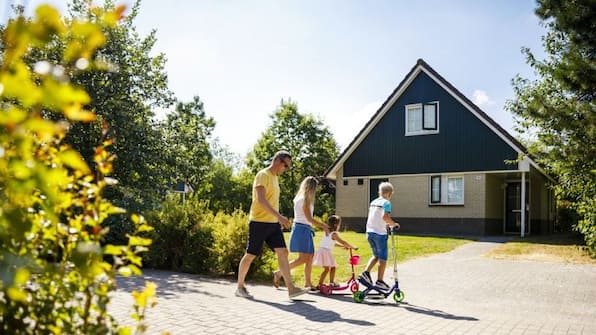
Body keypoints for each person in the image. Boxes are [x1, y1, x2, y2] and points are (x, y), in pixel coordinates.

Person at [235, 151, 309, 299]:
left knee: (283, 252)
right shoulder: (263, 175)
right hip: (258, 222)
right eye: (286, 165)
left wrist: (278, 218)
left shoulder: (275, 178)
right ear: (278, 161)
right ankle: (240, 287)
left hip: (273, 224)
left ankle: (291, 288)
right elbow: (261, 200)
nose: (286, 169)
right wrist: (280, 216)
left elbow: (272, 201)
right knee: (251, 255)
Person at [272, 176, 329, 291]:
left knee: (309, 258)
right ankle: (279, 273)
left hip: (304, 229)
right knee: (303, 258)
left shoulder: (300, 198)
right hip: (302, 229)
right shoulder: (304, 200)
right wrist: (324, 226)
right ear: (311, 188)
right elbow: (309, 218)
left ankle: (308, 283)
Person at [358, 182, 400, 293]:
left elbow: (376, 218)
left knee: (375, 255)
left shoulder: (374, 202)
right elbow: (385, 217)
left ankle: (366, 273)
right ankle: (380, 281)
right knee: (383, 259)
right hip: (379, 234)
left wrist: (386, 224)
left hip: (370, 232)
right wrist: (393, 224)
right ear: (390, 194)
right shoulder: (387, 203)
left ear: (379, 192)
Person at [313, 215, 357, 289]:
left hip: (322, 251)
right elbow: (342, 241)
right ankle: (331, 283)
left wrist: (343, 247)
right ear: (336, 225)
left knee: (327, 269)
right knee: (333, 267)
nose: (339, 226)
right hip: (325, 252)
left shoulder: (327, 232)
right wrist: (352, 247)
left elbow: (333, 243)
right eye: (339, 224)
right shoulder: (334, 234)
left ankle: (320, 284)